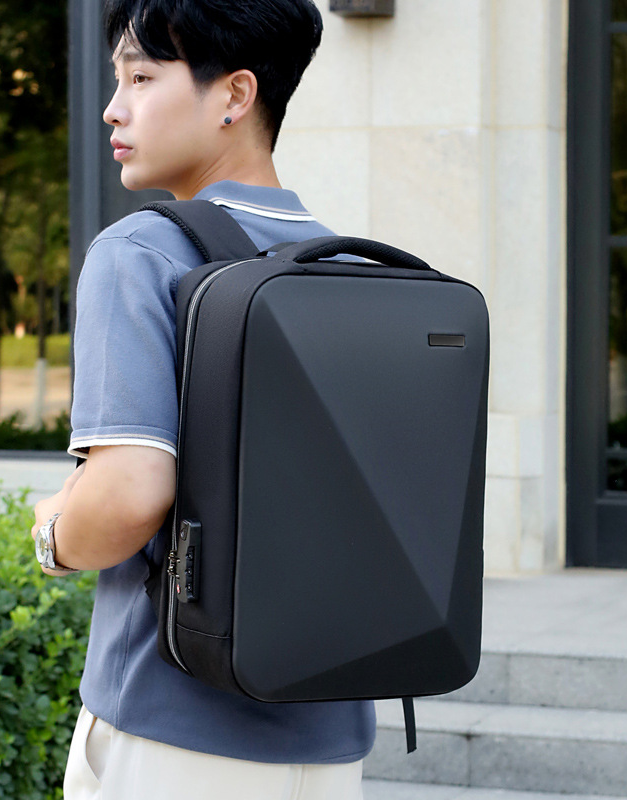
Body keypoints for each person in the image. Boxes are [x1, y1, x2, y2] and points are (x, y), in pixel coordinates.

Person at [31, 1, 375, 797]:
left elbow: (129, 495)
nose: (113, 109)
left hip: (173, 731)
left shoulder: (141, 252)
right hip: (330, 741)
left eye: (142, 78)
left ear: (235, 95)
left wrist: (52, 533)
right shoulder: (350, 270)